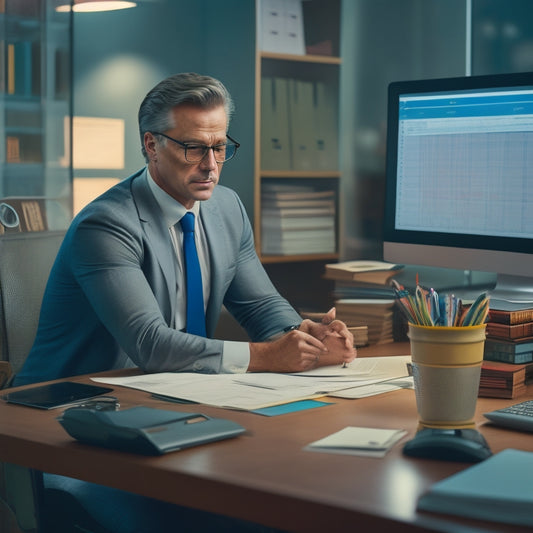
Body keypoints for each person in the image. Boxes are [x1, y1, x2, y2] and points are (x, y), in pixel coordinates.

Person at [14, 72, 355, 388]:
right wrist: (268, 356)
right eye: (193, 148)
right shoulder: (106, 225)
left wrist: (303, 336)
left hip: (174, 390)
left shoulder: (227, 207)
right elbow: (150, 343)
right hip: (66, 402)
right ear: (151, 145)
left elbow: (259, 305)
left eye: (219, 147)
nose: (210, 165)